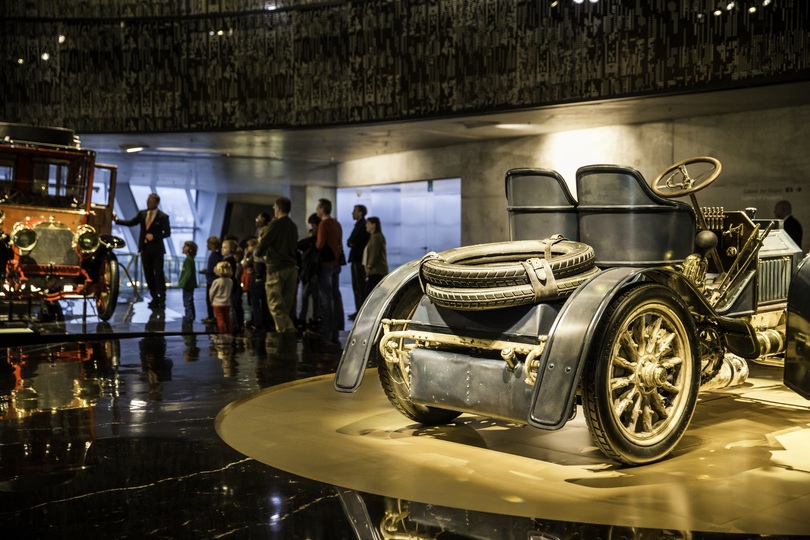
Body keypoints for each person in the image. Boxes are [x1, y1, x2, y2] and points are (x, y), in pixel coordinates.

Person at [114, 193, 171, 310]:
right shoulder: (142, 214)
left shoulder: (163, 217)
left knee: (158, 274)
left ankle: (162, 299)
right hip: (145, 249)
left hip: (157, 250)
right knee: (148, 274)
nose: (148, 203)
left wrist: (154, 236)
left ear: (156, 203)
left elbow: (167, 233)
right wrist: (117, 220)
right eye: (147, 201)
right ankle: (154, 298)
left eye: (150, 202)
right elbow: (131, 223)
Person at [254, 197, 299, 334]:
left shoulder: (276, 225)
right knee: (286, 305)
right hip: (291, 267)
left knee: (275, 304)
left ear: (278, 208)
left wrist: (258, 252)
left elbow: (264, 242)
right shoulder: (292, 225)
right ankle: (287, 332)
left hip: (276, 267)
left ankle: (286, 332)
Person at [315, 198, 344, 344]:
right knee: (336, 294)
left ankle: (327, 326)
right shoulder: (336, 223)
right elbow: (339, 242)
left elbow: (320, 244)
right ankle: (338, 323)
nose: (316, 210)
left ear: (322, 209)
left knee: (326, 296)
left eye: (318, 208)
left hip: (326, 263)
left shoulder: (323, 224)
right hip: (336, 262)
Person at [297, 213, 321, 330]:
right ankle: (315, 318)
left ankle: (304, 318)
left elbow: (301, 245)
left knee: (306, 297)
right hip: (313, 271)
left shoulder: (312, 242)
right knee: (314, 297)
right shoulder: (315, 241)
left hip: (310, 271)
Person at [347, 204, 369, 320]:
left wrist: (352, 242)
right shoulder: (359, 225)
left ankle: (361, 311)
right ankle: (359, 310)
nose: (353, 213)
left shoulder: (362, 225)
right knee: (357, 286)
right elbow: (350, 241)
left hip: (358, 259)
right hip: (356, 259)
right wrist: (351, 242)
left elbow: (353, 241)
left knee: (359, 286)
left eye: (355, 211)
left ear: (360, 212)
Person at [221, 238, 244, 334]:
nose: (222, 249)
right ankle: (235, 325)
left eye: (225, 248)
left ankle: (233, 326)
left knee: (232, 307)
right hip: (231, 285)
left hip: (230, 286)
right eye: (222, 247)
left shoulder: (229, 260)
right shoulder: (229, 260)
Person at [363, 216, 389, 297]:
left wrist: (369, 266)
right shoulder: (374, 236)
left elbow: (374, 254)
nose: (366, 225)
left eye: (368, 223)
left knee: (371, 293)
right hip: (375, 270)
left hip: (376, 270)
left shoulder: (376, 237)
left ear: (374, 225)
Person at [200, 236, 222, 325]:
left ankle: (211, 316)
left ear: (213, 245)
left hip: (211, 281)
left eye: (208, 244)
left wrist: (205, 271)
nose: (207, 245)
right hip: (213, 280)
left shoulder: (213, 256)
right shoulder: (217, 255)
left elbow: (212, 269)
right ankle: (212, 316)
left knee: (209, 299)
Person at [209, 260, 233, 337]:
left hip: (217, 303)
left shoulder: (217, 281)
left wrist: (211, 300)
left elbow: (212, 292)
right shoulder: (230, 281)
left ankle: (222, 333)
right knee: (227, 318)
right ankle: (228, 332)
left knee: (220, 319)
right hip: (227, 303)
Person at [178, 240, 198, 328]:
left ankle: (189, 318)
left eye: (186, 246)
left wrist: (182, 282)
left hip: (187, 285)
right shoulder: (190, 260)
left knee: (187, 302)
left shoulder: (188, 260)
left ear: (190, 249)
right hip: (190, 285)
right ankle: (191, 317)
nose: (183, 247)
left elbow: (188, 273)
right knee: (189, 301)